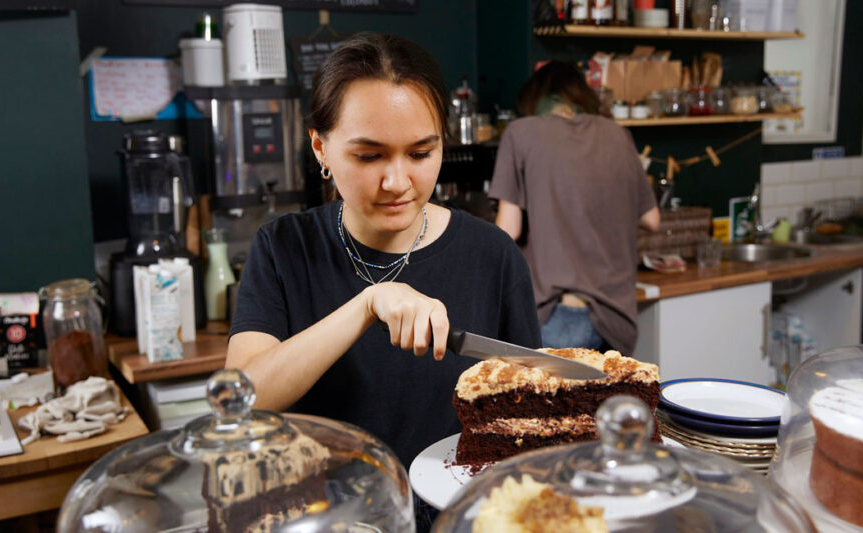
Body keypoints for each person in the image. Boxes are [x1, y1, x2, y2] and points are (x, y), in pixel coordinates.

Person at [227, 33, 541, 471]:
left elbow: (527, 412)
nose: (397, 181)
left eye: (420, 153)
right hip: (333, 515)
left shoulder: (493, 255)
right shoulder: (283, 248)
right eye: (370, 156)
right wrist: (368, 304)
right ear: (321, 148)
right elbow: (240, 398)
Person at [490, 61, 660, 356]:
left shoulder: (520, 132)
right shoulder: (617, 134)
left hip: (556, 315)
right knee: (602, 404)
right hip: (616, 319)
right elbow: (652, 219)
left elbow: (507, 231)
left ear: (535, 100)